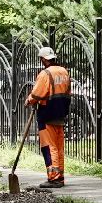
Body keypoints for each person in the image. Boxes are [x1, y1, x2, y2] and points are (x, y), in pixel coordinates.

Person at [25, 46, 72, 188]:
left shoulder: (45, 74)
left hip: (47, 114)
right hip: (61, 113)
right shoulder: (64, 71)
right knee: (58, 146)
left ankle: (54, 178)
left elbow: (37, 93)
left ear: (44, 59)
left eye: (41, 59)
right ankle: (60, 175)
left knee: (48, 146)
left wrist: (28, 101)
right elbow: (68, 91)